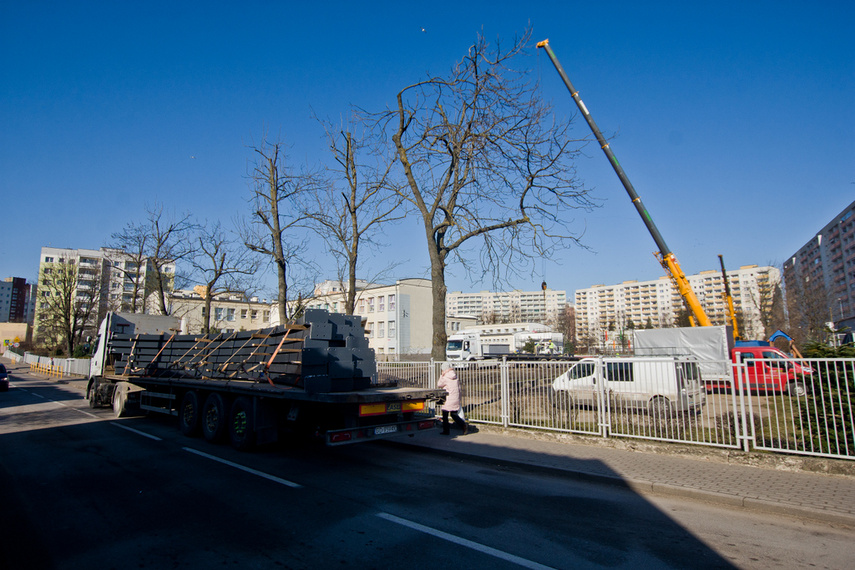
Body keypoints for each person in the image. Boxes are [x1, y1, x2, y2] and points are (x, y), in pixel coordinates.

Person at [437, 363, 467, 435]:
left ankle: (446, 431)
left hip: (448, 398)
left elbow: (439, 384)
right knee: (454, 414)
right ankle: (463, 425)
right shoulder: (455, 376)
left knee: (445, 414)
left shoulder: (445, 377)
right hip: (455, 397)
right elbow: (459, 388)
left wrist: (441, 375)